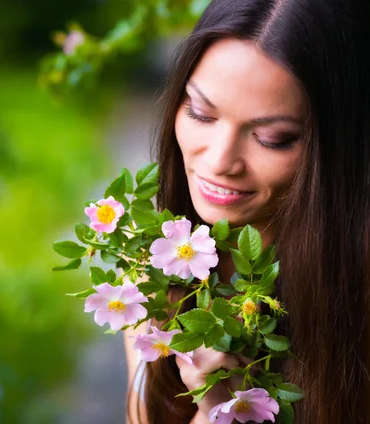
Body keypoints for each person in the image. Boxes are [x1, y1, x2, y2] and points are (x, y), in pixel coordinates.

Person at [123, 0, 370, 423]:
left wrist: (228, 407)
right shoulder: (153, 253)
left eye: (272, 138)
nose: (220, 161)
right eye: (201, 113)